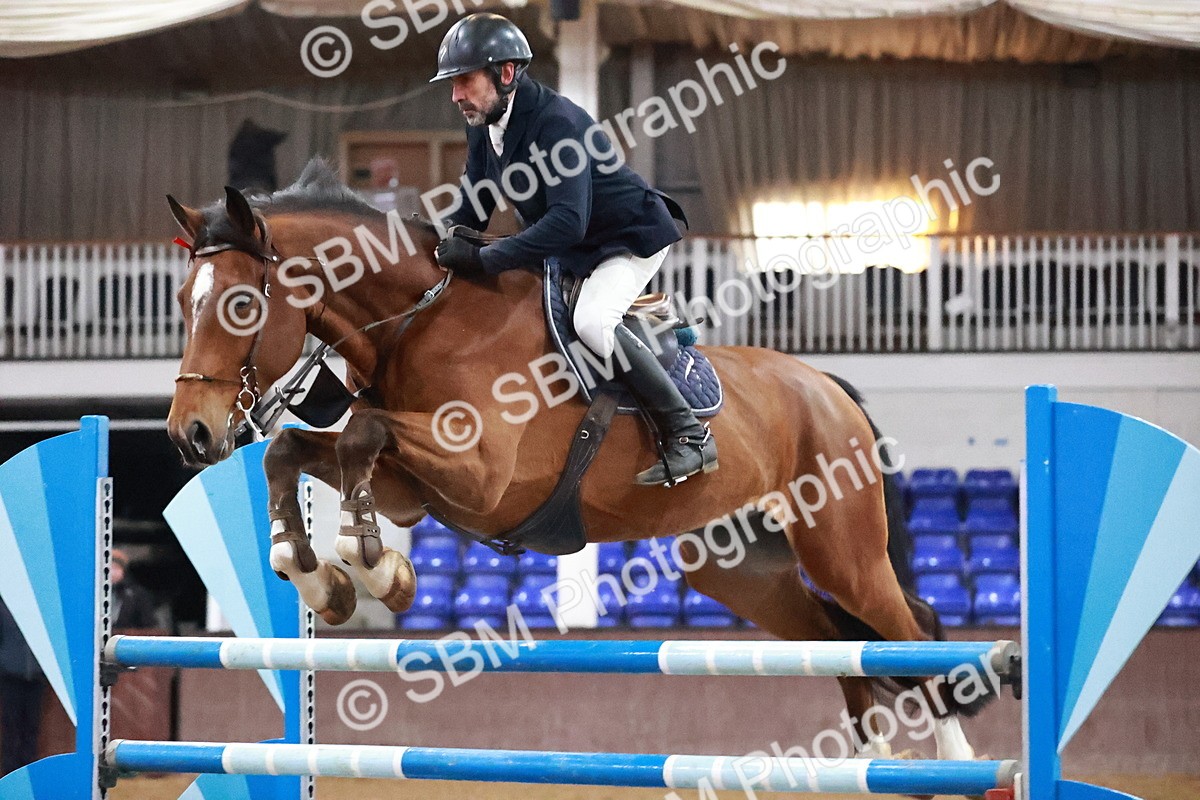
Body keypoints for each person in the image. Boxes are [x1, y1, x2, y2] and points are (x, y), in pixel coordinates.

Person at [430, 13, 718, 487]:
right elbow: (474, 206)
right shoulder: (484, 123)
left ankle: (689, 433)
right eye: (452, 84)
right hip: (576, 247)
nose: (455, 95)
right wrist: (439, 249)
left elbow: (567, 221)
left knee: (591, 321)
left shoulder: (556, 124)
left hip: (627, 239)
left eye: (464, 80)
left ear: (506, 73)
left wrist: (483, 259)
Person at [0, 600, 43, 776]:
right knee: (11, 728)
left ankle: (28, 773)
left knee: (31, 729)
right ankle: (11, 775)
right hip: (10, 674)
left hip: (34, 675)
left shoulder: (39, 604)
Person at [111, 549, 158, 630]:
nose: (112, 572)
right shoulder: (95, 593)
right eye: (109, 568)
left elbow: (148, 623)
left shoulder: (137, 594)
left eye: (116, 568)